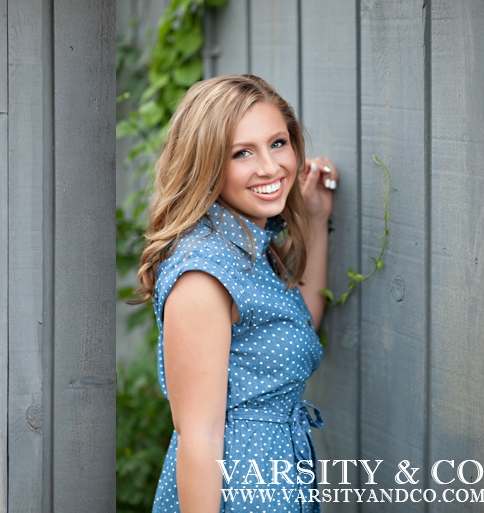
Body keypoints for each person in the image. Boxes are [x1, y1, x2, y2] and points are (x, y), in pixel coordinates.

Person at [134, 75, 338, 512]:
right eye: (242, 153)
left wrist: (316, 221)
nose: (270, 167)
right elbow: (199, 436)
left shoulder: (247, 245)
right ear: (206, 164)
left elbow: (296, 327)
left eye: (278, 143)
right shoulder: (204, 272)